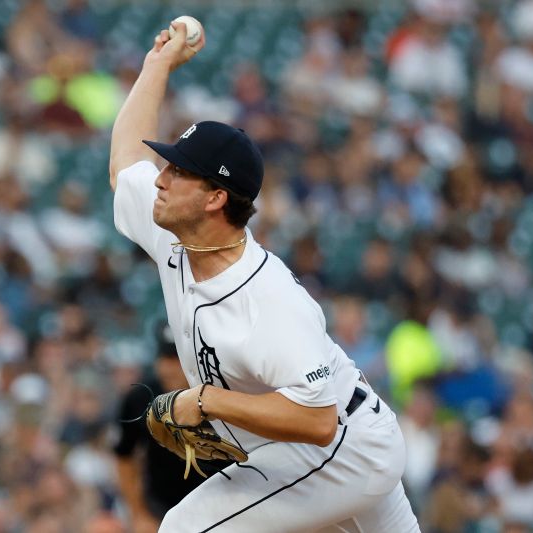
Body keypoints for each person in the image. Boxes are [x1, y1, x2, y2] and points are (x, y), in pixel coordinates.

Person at [108, 21, 420, 532]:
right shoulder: (177, 233)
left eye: (178, 171)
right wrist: (157, 66)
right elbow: (125, 165)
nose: (160, 178)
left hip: (343, 449)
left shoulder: (267, 299)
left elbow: (317, 422)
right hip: (331, 442)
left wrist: (204, 401)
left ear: (215, 198)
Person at [114, 322, 229, 532]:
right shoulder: (140, 397)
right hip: (161, 511)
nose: (168, 368)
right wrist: (138, 513)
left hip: (223, 510)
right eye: (164, 358)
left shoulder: (224, 396)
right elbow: (124, 456)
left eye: (177, 360)